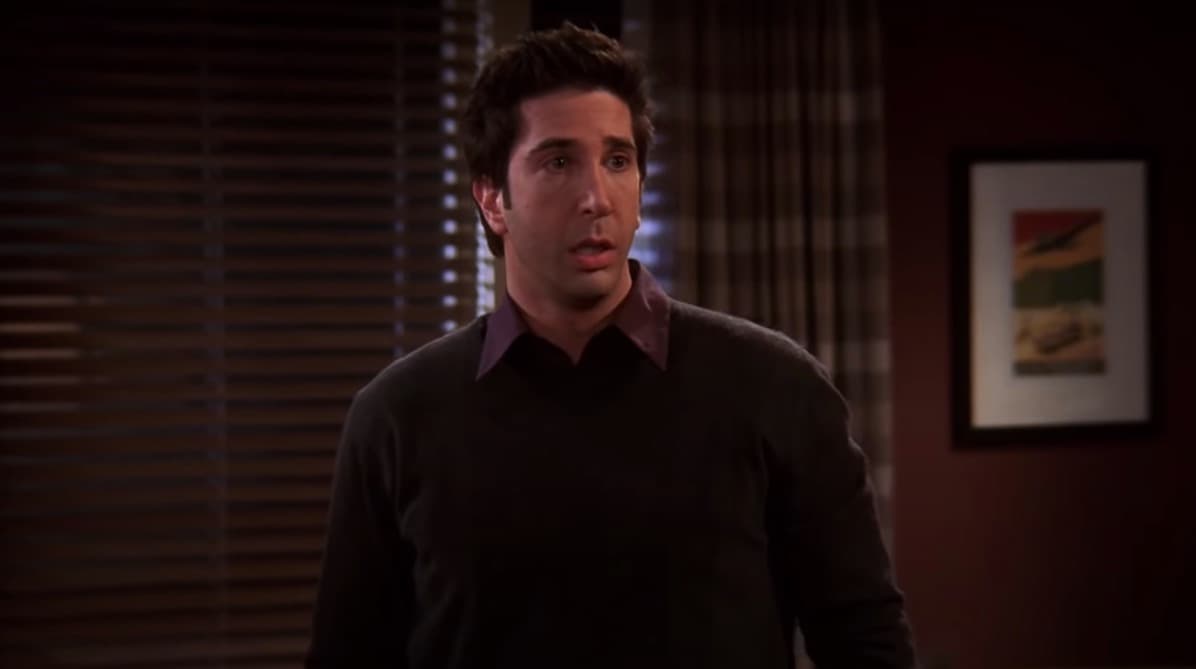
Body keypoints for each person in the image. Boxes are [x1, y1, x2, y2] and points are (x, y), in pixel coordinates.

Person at [307, 22, 916, 669]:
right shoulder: (397, 416)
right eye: (559, 162)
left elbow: (866, 641)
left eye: (617, 161)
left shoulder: (775, 387)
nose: (597, 198)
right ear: (491, 199)